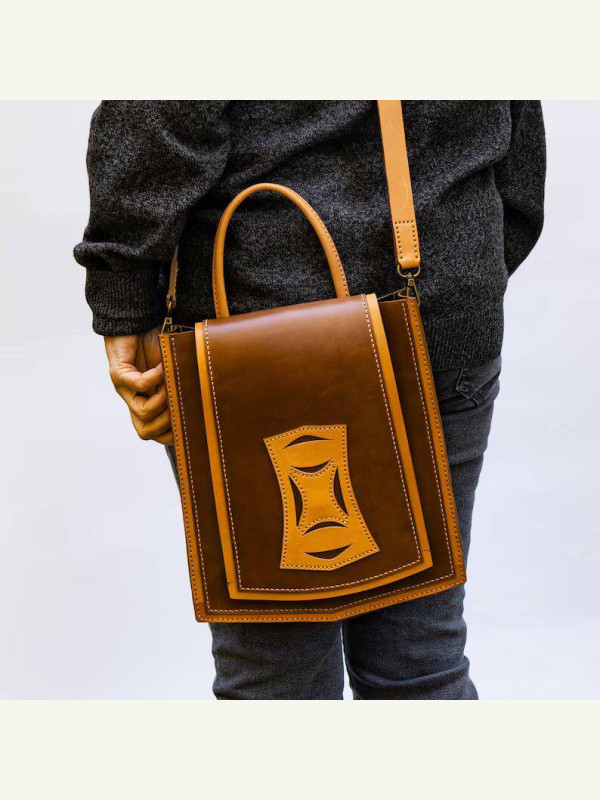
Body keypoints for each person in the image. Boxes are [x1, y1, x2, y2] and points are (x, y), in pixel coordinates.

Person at [74, 101, 545, 700]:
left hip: (253, 337)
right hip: (437, 314)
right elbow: (518, 141)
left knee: (276, 679)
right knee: (421, 662)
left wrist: (124, 293)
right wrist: (465, 271)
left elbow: (157, 112)